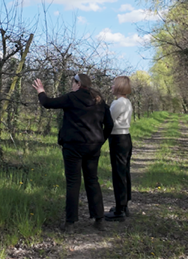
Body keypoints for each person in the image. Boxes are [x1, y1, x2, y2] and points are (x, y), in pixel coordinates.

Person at [32, 74, 114, 232]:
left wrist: (41, 90)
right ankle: (99, 220)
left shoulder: (72, 98)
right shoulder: (99, 100)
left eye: (73, 82)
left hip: (73, 146)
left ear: (78, 83)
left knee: (73, 182)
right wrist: (100, 140)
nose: (71, 85)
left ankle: (70, 223)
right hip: (93, 147)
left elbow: (47, 103)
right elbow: (109, 124)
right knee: (92, 181)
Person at [104, 76, 133, 222]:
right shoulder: (126, 102)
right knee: (124, 171)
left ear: (119, 87)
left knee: (118, 174)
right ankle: (124, 205)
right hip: (126, 138)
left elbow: (108, 120)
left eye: (113, 84)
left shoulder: (118, 103)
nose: (111, 86)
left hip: (118, 139)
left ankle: (119, 210)